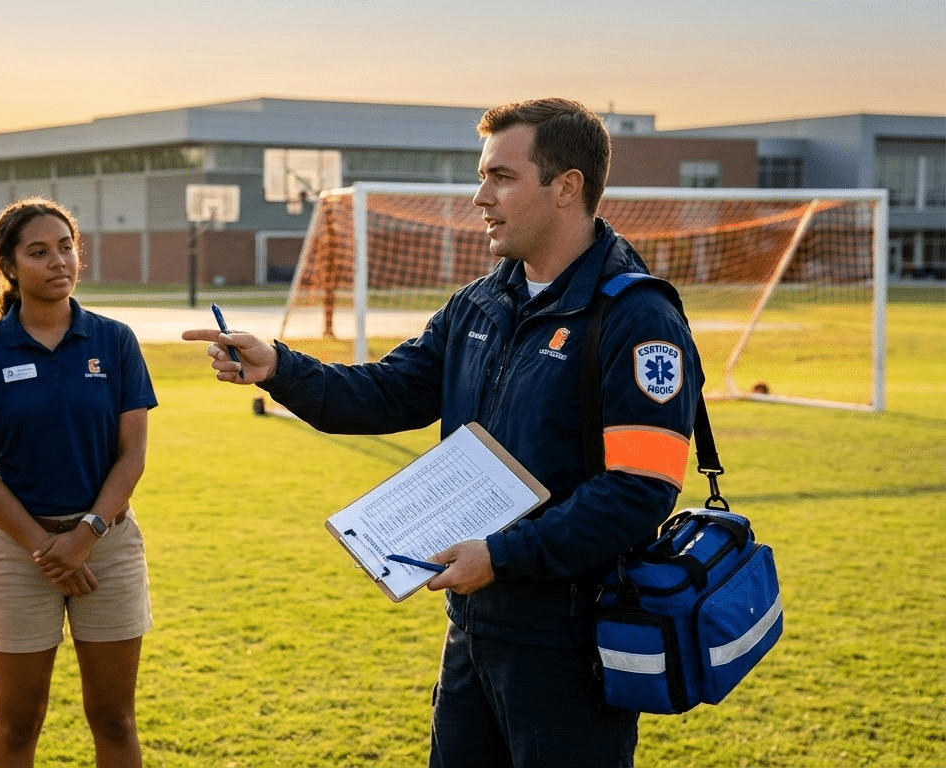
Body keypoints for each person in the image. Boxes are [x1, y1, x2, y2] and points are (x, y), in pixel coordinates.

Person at [183, 98, 704, 767]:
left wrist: (504, 555)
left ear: (567, 186)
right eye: (483, 177)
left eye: (502, 178)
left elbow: (639, 491)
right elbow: (386, 393)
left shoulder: (637, 319)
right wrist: (280, 367)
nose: (480, 197)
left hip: (568, 639)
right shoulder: (481, 301)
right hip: (473, 626)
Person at [0, 197, 157, 767]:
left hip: (107, 548)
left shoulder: (114, 341)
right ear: (10, 267)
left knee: (114, 718)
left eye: (66, 247)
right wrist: (47, 549)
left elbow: (132, 456)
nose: (58, 261)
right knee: (17, 725)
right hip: (21, 555)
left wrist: (85, 535)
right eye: (38, 252)